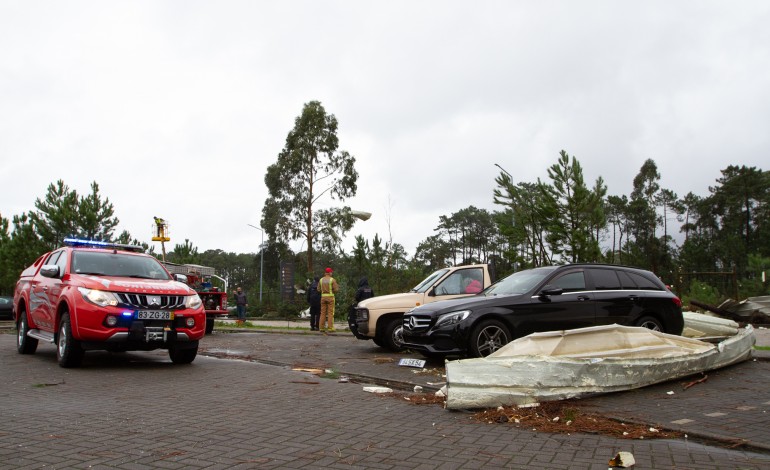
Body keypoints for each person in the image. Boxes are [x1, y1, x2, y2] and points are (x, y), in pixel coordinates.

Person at [317, 267, 339, 333]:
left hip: (323, 298)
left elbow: (318, 289)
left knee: (322, 313)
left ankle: (321, 327)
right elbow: (336, 289)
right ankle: (330, 328)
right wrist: (332, 291)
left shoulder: (321, 280)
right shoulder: (332, 280)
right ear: (329, 273)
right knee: (330, 313)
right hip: (330, 298)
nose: (332, 273)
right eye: (331, 272)